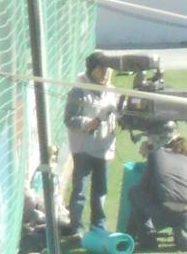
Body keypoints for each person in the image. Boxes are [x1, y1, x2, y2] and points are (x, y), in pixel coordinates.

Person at [63, 52, 118, 237]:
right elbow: (69, 119)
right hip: (83, 148)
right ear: (92, 69)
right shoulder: (79, 90)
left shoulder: (111, 90)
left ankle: (98, 226)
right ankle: (76, 227)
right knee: (80, 190)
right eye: (102, 68)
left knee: (101, 190)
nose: (106, 72)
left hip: (104, 147)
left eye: (107, 68)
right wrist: (90, 123)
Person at [127, 126, 187, 252]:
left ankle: (148, 238)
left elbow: (144, 186)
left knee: (135, 193)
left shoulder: (156, 155)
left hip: (164, 211)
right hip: (186, 211)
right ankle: (186, 236)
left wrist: (147, 155)